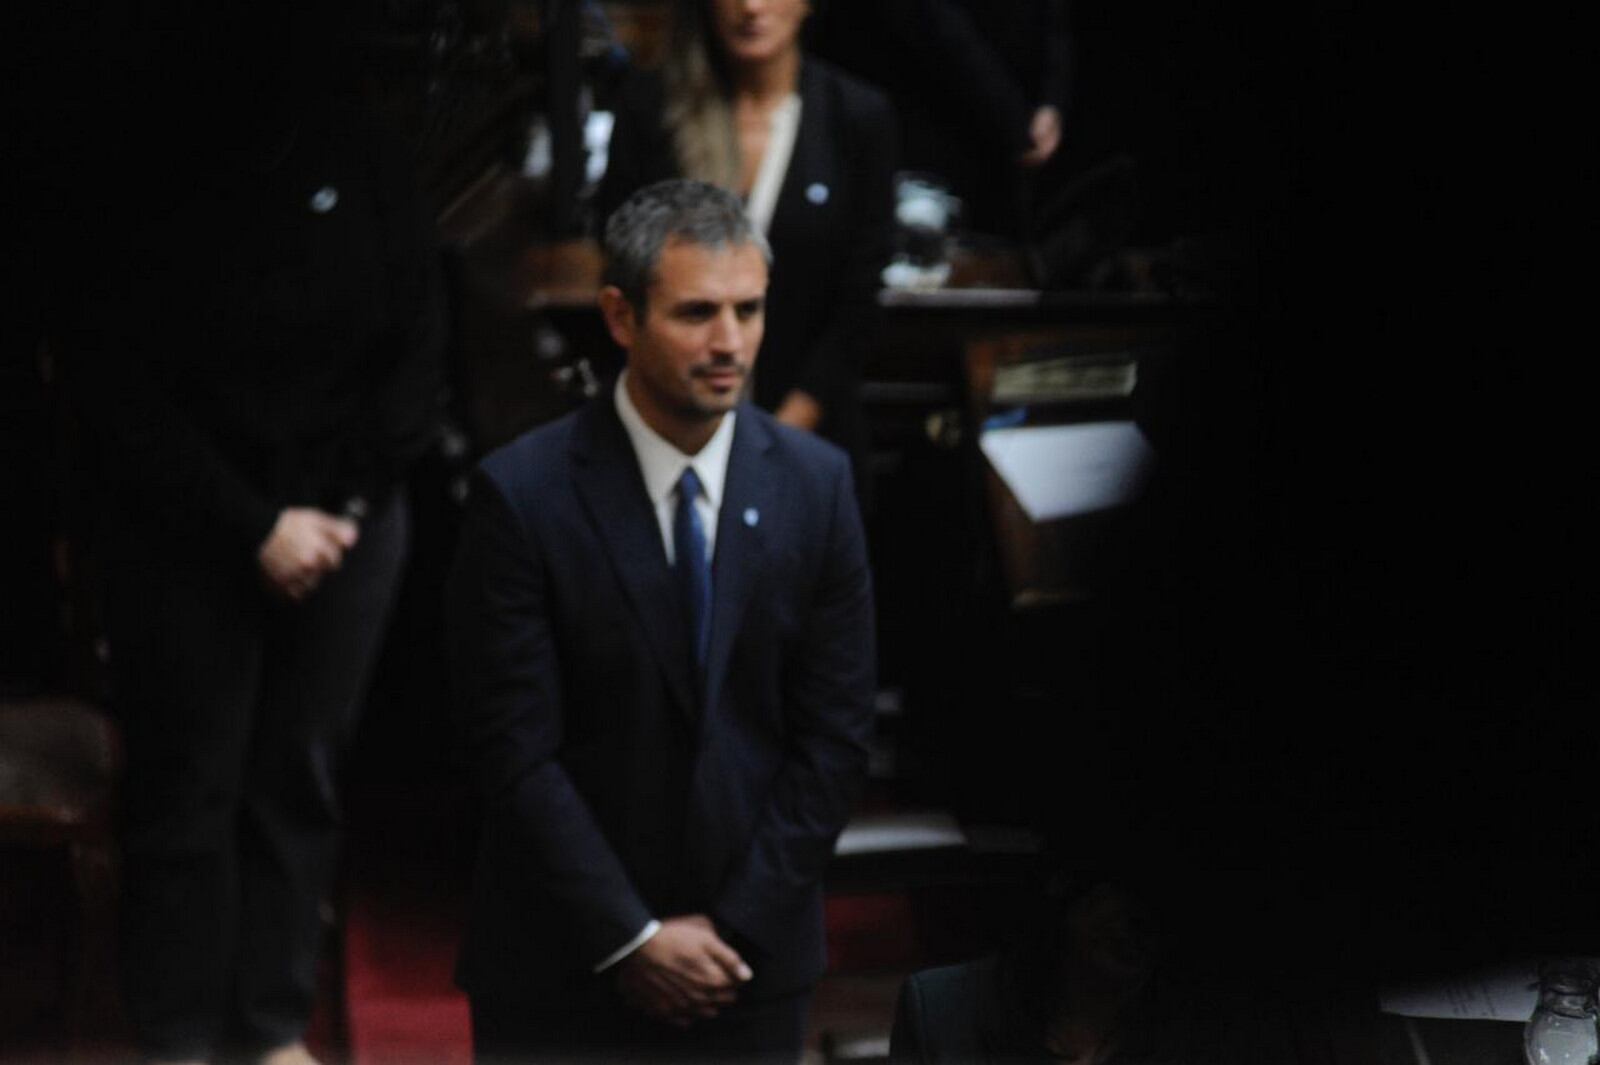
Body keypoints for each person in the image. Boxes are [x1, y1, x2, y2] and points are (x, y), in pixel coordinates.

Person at [62, 13, 446, 1063]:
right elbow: (112, 379)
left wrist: (342, 515)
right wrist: (254, 526)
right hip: (189, 525)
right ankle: (181, 1035)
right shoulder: (143, 152)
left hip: (349, 521)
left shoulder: (361, 145)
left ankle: (274, 1026)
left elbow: (416, 349)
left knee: (301, 782)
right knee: (191, 786)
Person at [446, 178, 876, 1062]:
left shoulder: (817, 486)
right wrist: (632, 936)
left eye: (749, 310)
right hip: (561, 961)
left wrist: (734, 929)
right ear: (619, 315)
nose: (731, 344)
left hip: (745, 966)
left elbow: (833, 738)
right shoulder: (522, 496)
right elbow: (512, 748)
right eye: (696, 313)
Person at [597, 0, 897, 487]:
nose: (751, 7)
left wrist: (782, 432)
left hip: (809, 434)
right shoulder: (651, 108)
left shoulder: (857, 116)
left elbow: (860, 296)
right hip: (668, 437)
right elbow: (622, 262)